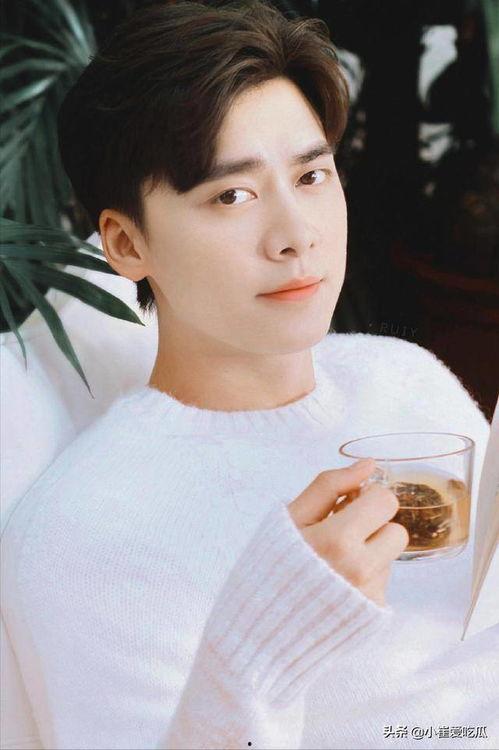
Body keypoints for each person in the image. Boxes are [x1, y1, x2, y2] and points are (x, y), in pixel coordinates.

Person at [1, 1, 497, 748]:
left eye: (312, 175)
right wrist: (260, 649)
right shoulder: (83, 536)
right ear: (126, 244)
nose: (296, 236)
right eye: (232, 195)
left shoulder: (405, 380)